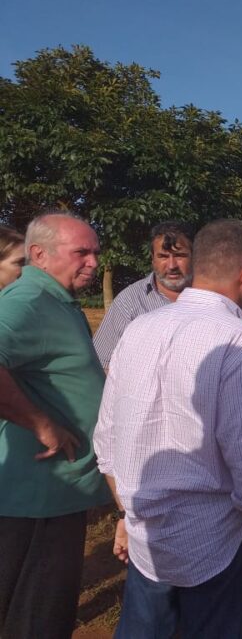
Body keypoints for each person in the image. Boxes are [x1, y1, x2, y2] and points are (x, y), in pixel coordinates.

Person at [94, 219, 242, 637]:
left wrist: (127, 513)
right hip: (214, 544)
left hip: (146, 536)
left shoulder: (137, 331)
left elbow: (106, 441)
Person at [0, 212, 111, 638]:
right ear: (39, 255)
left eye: (95, 253)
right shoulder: (27, 303)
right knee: (35, 617)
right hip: (36, 496)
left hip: (57, 492)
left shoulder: (54, 302)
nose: (93, 262)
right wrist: (40, 422)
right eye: (81, 252)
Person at [93, 221, 194, 367]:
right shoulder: (129, 302)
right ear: (152, 259)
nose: (172, 266)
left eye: (179, 256)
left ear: (194, 257)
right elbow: (102, 364)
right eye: (163, 256)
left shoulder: (214, 296)